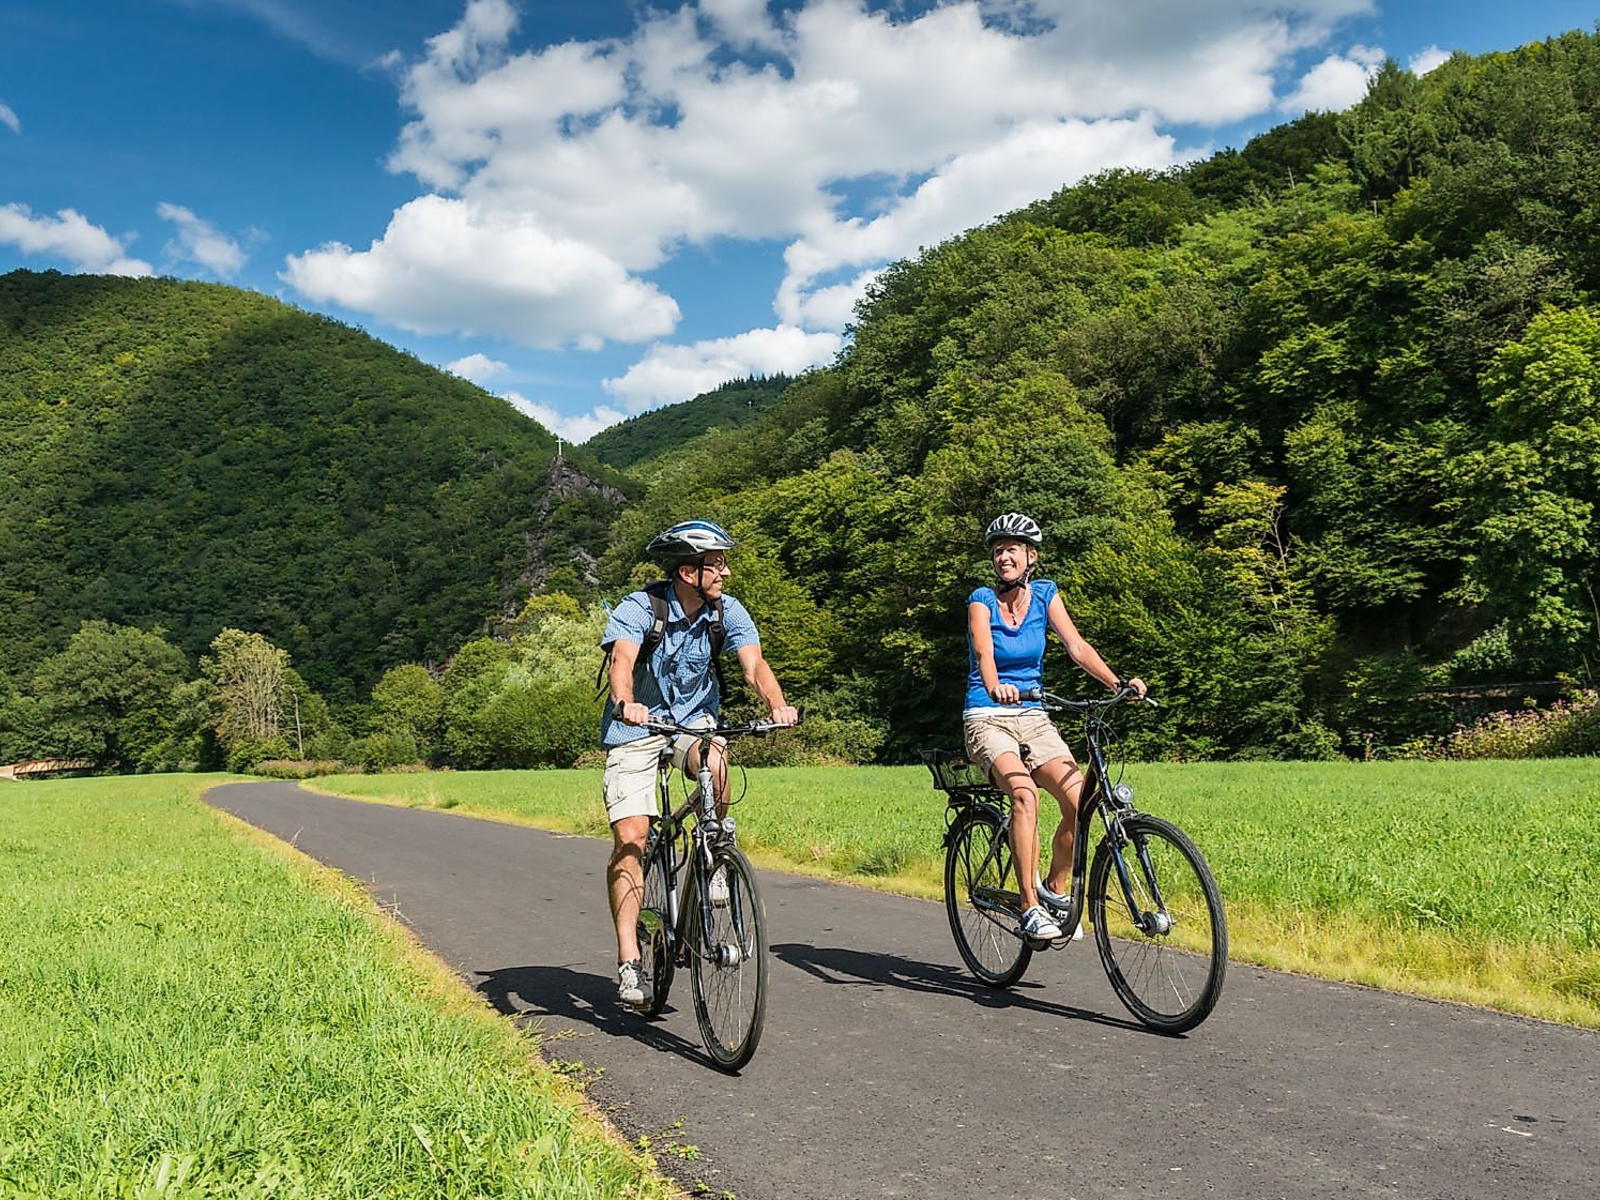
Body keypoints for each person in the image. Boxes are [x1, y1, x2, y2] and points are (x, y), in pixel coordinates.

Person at [599, 518, 799, 1009]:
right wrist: (626, 702)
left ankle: (714, 851)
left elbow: (754, 665)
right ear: (689, 572)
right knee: (632, 839)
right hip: (637, 728)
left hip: (693, 723)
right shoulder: (640, 608)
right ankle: (630, 962)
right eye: (717, 564)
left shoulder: (727, 612)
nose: (725, 573)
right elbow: (622, 661)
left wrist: (777, 704)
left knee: (717, 760)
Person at [963, 512, 1147, 942]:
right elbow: (984, 651)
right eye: (998, 551)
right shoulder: (981, 599)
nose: (1004, 557)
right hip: (987, 716)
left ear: (1031, 557)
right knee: (1024, 795)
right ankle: (1029, 906)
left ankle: (1054, 889)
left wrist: (1118, 684)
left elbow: (1076, 646)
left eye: (1012, 550)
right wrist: (995, 686)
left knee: (1081, 802)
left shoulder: (1045, 594)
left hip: (1034, 716)